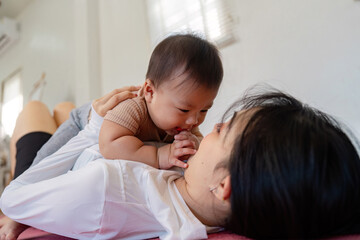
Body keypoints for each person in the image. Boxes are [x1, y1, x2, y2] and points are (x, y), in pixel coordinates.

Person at [1, 86, 360, 239]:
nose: (210, 124)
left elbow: (13, 198)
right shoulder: (197, 206)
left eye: (223, 128)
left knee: (35, 110)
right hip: (96, 144)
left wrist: (93, 126)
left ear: (224, 186)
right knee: (64, 108)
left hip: (70, 155)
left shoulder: (107, 189)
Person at [1, 86, 140, 240]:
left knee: (34, 107)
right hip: (71, 147)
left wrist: (20, 208)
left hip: (49, 170)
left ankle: (18, 200)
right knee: (63, 108)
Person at [99, 33, 223, 169]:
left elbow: (200, 145)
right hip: (83, 118)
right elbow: (109, 144)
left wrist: (195, 144)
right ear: (150, 92)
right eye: (184, 109)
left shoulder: (187, 122)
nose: (194, 121)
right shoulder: (133, 108)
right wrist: (158, 155)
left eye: (204, 110)